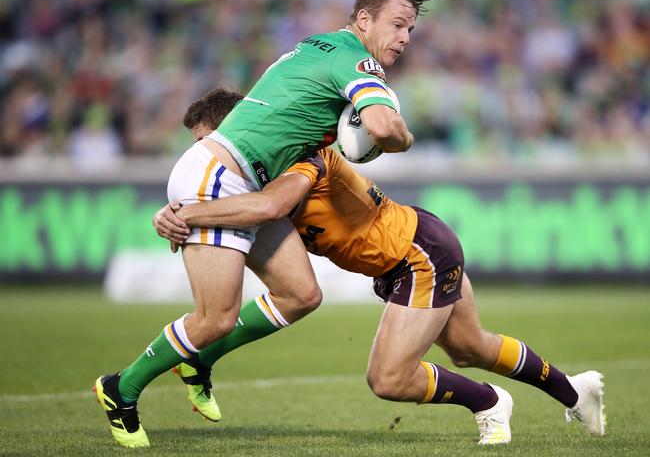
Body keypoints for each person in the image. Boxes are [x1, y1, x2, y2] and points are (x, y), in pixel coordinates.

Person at [153, 90, 606, 445]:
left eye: (207, 141)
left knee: (388, 378)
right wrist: (179, 215)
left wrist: (182, 214)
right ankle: (574, 390)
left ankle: (488, 402)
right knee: (471, 347)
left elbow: (269, 206)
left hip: (417, 256)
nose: (202, 155)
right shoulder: (250, 175)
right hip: (415, 243)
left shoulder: (297, 158)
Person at [94, 0, 435, 448]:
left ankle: (197, 360)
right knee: (214, 318)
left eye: (411, 29)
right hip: (223, 178)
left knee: (300, 293)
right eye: (397, 25)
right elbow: (379, 125)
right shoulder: (356, 60)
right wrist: (402, 136)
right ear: (363, 19)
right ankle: (120, 388)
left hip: (238, 178)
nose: (405, 38)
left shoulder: (319, 49)